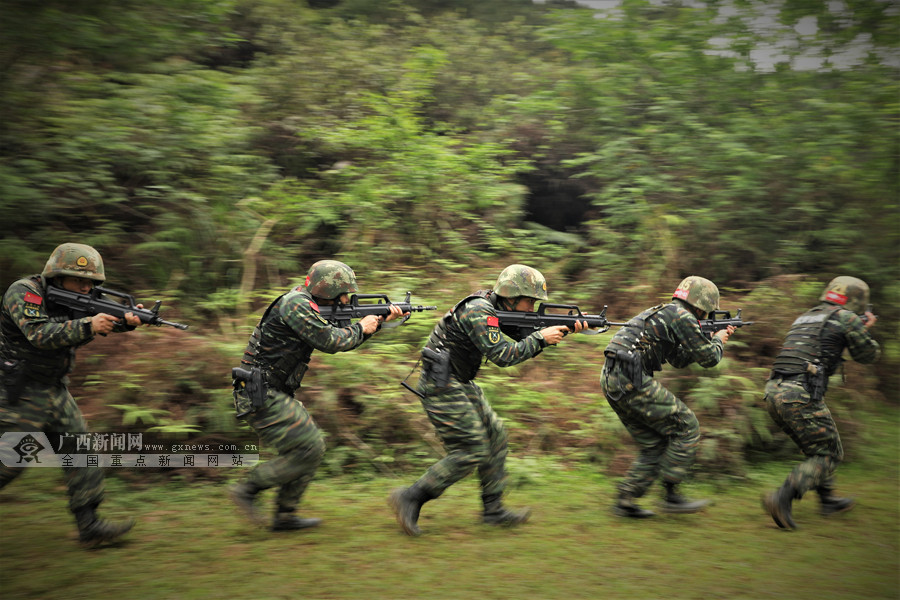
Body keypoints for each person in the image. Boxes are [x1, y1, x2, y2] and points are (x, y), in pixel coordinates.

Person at [389, 264, 585, 536]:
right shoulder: (479, 310)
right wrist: (541, 339)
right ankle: (410, 497)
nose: (532, 308)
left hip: (459, 380)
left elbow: (522, 336)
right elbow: (504, 356)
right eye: (530, 301)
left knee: (495, 437)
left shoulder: (495, 307)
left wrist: (563, 328)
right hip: (441, 383)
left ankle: (493, 509)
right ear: (512, 295)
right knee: (471, 448)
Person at [229, 259, 405, 532]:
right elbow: (331, 341)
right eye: (344, 292)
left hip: (272, 390)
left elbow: (339, 336)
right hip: (258, 391)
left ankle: (285, 516)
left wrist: (376, 324)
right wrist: (363, 327)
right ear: (328, 290)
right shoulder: (295, 304)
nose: (348, 299)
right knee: (309, 447)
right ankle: (248, 489)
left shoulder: (305, 301)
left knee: (309, 448)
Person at [0, 243, 143, 547]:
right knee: (12, 460)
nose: (86, 287)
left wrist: (125, 322)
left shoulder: (78, 300)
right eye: (79, 280)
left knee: (81, 449)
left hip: (54, 387)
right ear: (56, 275)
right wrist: (89, 324)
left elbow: (94, 321)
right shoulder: (24, 292)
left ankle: (89, 527)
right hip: (19, 388)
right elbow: (39, 334)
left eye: (91, 282)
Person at [600, 276, 735, 518]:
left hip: (613, 379)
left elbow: (678, 359)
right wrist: (717, 341)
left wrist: (703, 340)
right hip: (630, 379)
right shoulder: (682, 316)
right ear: (702, 304)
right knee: (687, 425)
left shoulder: (667, 313)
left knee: (654, 444)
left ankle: (626, 501)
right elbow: (710, 359)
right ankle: (672, 495)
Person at [762, 276, 879, 530]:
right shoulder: (846, 318)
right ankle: (781, 498)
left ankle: (827, 500)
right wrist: (865, 328)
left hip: (774, 390)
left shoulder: (806, 316)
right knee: (829, 453)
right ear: (856, 300)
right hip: (798, 394)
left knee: (820, 444)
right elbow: (868, 354)